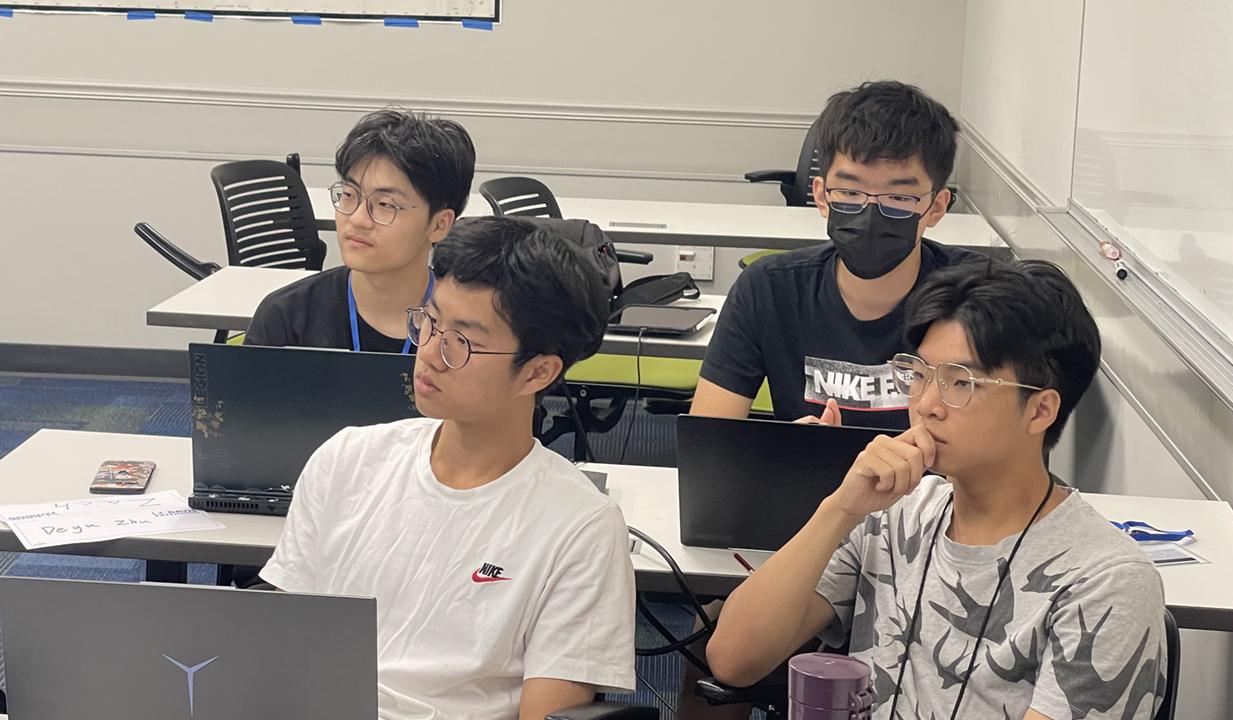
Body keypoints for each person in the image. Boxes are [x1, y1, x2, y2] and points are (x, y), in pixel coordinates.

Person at [706, 259, 1168, 719]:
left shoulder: (1106, 582)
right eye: (920, 375)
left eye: (960, 383)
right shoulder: (893, 514)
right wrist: (840, 508)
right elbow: (734, 659)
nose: (926, 404)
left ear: (1040, 411)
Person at [258, 217, 637, 720]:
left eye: (462, 342)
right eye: (429, 322)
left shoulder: (580, 528)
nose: (429, 353)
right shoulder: (348, 459)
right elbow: (273, 653)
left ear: (538, 371)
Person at [692, 81, 980, 430]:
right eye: (849, 191)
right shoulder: (768, 289)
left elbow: (1008, 454)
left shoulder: (978, 297)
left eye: (899, 198)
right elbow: (709, 442)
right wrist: (784, 452)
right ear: (821, 197)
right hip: (809, 481)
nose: (870, 212)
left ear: (936, 207)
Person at [245, 108, 475, 353]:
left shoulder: (469, 329)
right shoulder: (287, 319)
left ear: (440, 224)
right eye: (348, 195)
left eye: (385, 205)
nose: (357, 219)